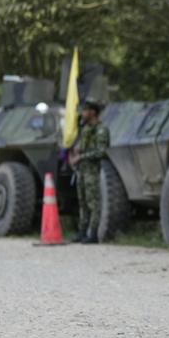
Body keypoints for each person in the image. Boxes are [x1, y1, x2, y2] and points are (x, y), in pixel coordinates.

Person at [70, 98, 109, 244]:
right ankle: (82, 231)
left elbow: (101, 152)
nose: (83, 113)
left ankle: (93, 234)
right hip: (82, 170)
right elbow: (83, 147)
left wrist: (82, 157)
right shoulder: (86, 129)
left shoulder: (101, 130)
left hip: (92, 170)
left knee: (93, 203)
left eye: (85, 110)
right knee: (83, 202)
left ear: (93, 112)